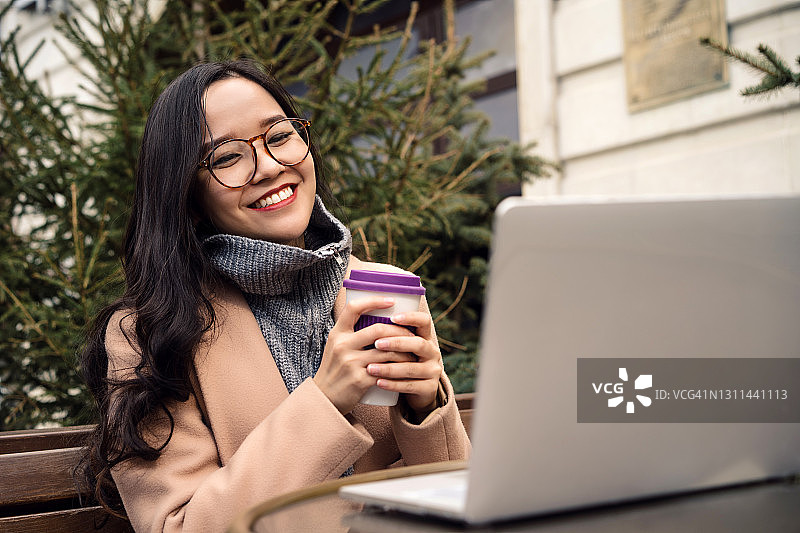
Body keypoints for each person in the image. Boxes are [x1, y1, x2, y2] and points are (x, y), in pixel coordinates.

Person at [79, 59, 471, 532]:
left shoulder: (385, 291)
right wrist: (325, 400)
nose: (268, 166)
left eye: (280, 135)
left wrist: (426, 408)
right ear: (187, 196)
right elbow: (178, 526)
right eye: (227, 157)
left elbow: (458, 504)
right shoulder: (148, 333)